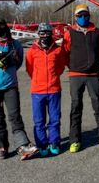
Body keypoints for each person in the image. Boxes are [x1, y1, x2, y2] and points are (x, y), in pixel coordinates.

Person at [0, 17, 38, 160]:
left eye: (1, 26)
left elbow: (18, 63)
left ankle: (22, 146)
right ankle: (2, 147)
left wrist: (8, 75)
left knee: (15, 116)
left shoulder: (15, 44)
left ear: (6, 27)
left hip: (10, 87)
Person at [62, 4, 99, 153]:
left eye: (86, 15)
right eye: (80, 15)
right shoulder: (69, 33)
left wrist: (96, 64)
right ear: (76, 17)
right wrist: (72, 65)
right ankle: (75, 140)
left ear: (89, 16)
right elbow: (65, 52)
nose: (83, 18)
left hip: (92, 75)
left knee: (98, 105)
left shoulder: (97, 32)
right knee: (76, 107)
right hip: (76, 75)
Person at [25, 23, 68, 157]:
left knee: (54, 119)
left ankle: (54, 142)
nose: (44, 36)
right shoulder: (32, 51)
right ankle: (42, 144)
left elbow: (60, 67)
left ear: (51, 34)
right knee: (39, 120)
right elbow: (29, 69)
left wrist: (53, 78)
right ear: (38, 34)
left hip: (54, 90)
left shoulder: (58, 50)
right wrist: (39, 80)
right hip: (38, 91)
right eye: (42, 33)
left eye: (47, 33)